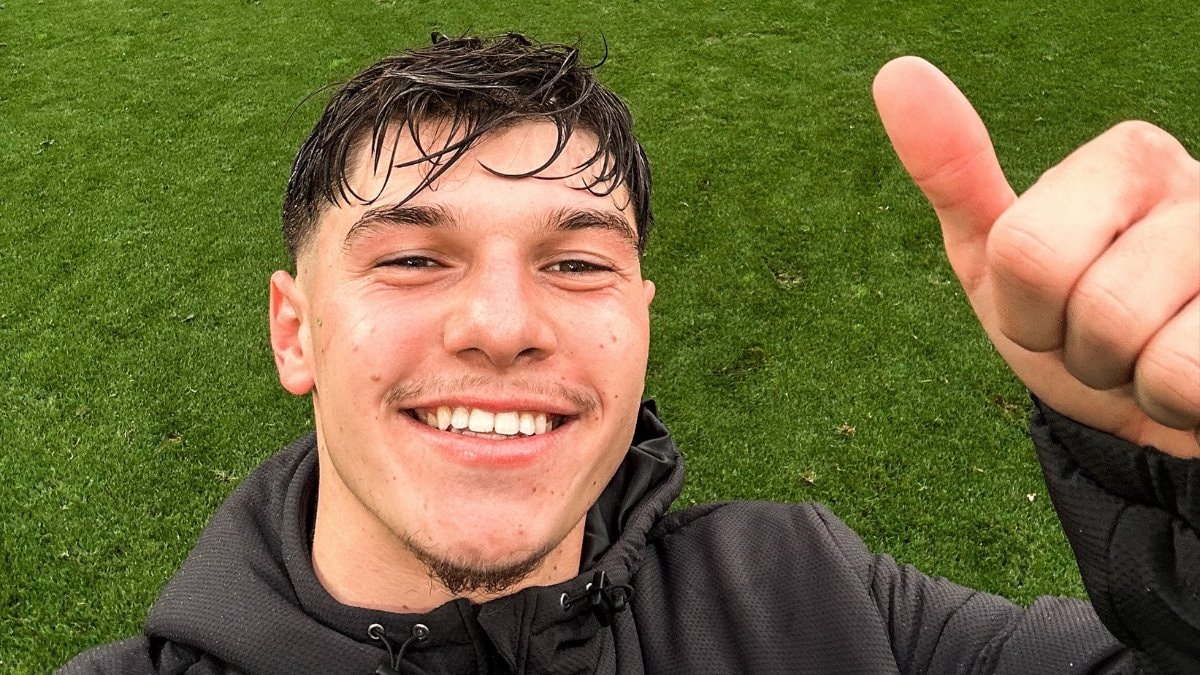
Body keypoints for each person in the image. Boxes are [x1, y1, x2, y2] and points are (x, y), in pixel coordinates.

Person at [60, 33, 1199, 674]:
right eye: (411, 258)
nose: (503, 323)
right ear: (294, 330)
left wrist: (1177, 482)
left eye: (576, 262)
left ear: (643, 321)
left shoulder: (814, 600)